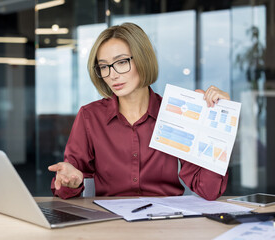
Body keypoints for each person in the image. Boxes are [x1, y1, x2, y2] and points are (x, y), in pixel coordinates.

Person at [48, 22, 230, 201]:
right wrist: (69, 181)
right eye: (104, 66)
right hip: (111, 223)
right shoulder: (90, 117)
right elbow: (65, 185)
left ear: (143, 59)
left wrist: (217, 123)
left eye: (121, 62)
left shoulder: (175, 113)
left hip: (166, 223)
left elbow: (209, 190)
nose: (113, 74)